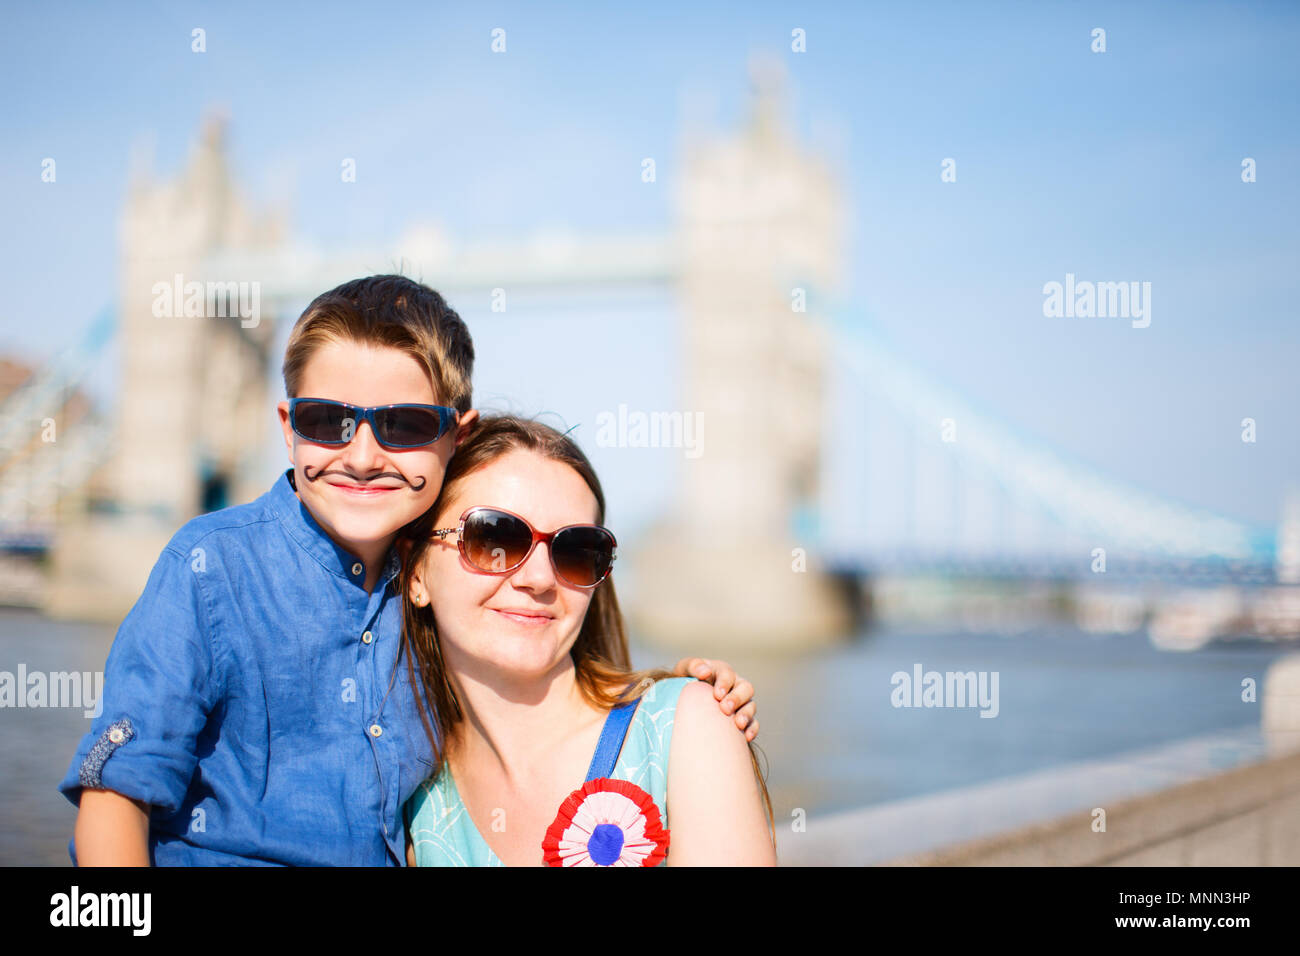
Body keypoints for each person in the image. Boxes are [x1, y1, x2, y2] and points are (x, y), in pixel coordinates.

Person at [59, 275, 760, 865]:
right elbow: (116, 791)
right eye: (327, 420)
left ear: (455, 433)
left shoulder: (435, 585)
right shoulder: (212, 566)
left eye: (402, 426)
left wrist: (686, 700)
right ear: (287, 423)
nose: (362, 455)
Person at [401, 415, 776, 866]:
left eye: (576, 550)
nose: (540, 579)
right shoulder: (409, 799)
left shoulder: (685, 731)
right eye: (494, 537)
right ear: (416, 571)